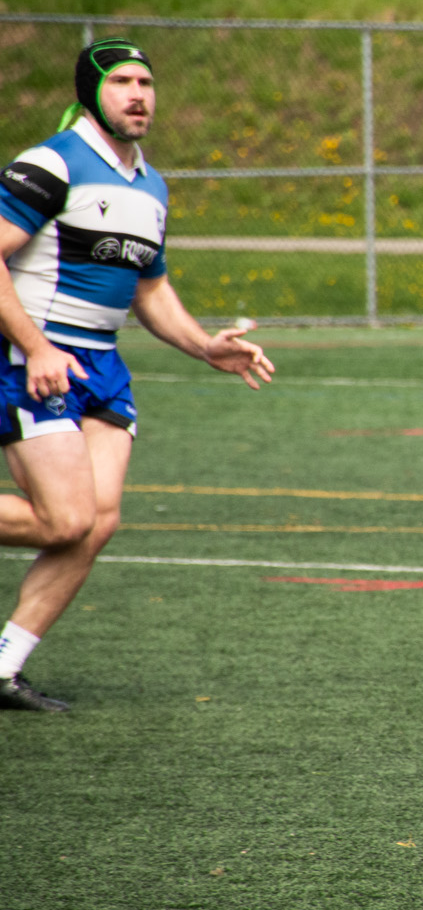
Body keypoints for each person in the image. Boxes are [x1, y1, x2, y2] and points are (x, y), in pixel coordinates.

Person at [0, 38, 274, 712]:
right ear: (93, 92)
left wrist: (207, 345)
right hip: (37, 356)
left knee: (96, 522)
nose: (138, 94)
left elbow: (150, 292)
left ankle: (4, 666)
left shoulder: (150, 184)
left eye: (146, 82)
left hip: (102, 365)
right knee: (63, 519)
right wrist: (35, 347)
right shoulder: (52, 163)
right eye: (121, 81)